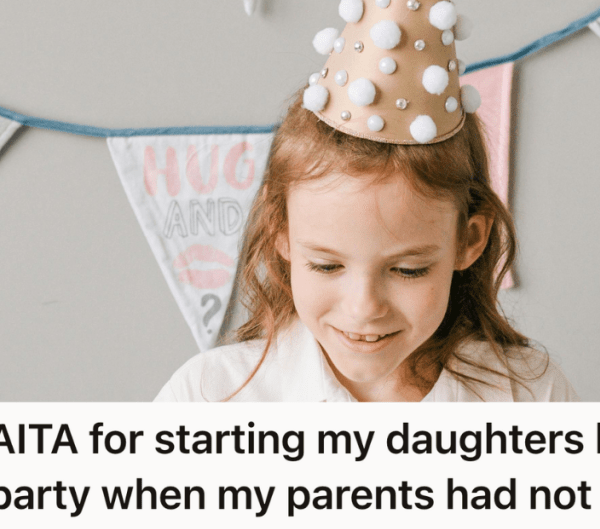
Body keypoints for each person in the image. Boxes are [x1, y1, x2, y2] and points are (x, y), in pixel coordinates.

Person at [155, 0, 576, 403]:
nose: (363, 308)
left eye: (408, 270)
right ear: (279, 228)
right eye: (326, 264)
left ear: (469, 239)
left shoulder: (531, 398)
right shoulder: (207, 398)